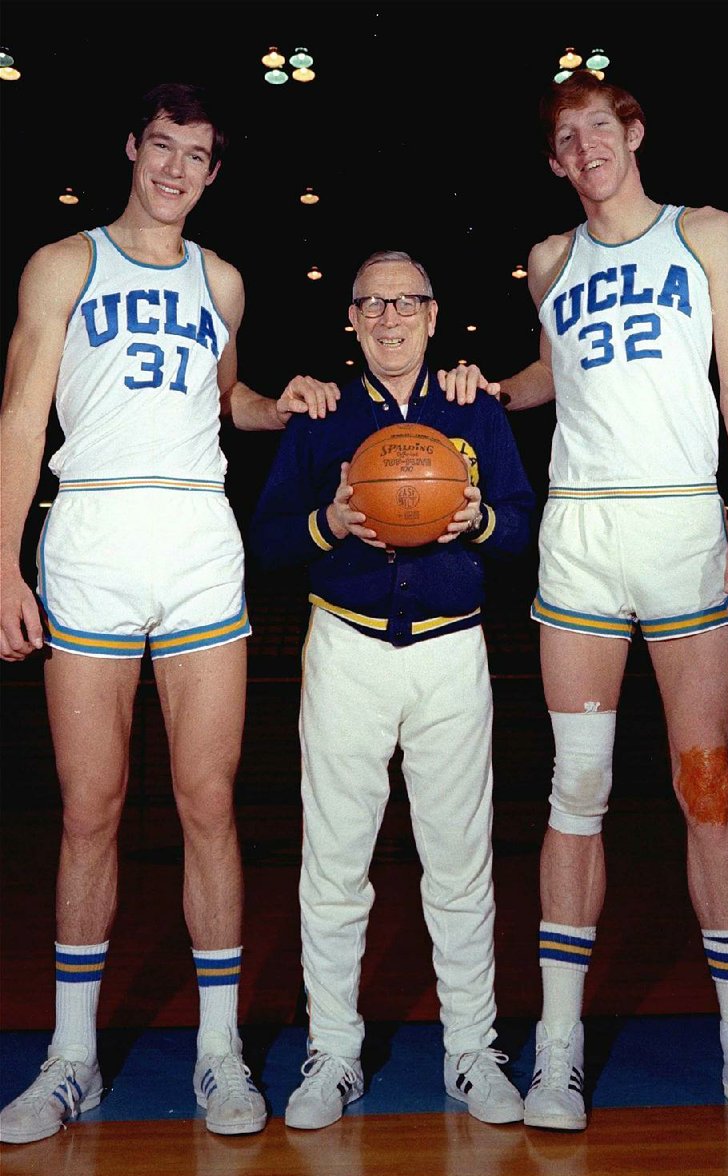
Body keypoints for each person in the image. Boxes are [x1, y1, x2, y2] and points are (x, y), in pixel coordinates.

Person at [0, 81, 347, 1145]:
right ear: (132, 149)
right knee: (90, 808)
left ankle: (216, 1053)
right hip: (95, 537)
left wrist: (271, 404)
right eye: (162, 147)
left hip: (198, 541)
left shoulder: (224, 281)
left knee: (208, 804)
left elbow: (223, 399)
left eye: (196, 156)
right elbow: (20, 412)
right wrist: (3, 565)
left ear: (212, 172)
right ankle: (71, 1060)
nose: (175, 169)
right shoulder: (64, 263)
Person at [495, 71, 728, 1134]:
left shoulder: (703, 232)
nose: (584, 152)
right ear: (552, 162)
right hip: (581, 538)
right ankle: (558, 1051)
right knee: (572, 793)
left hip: (679, 528)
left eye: (597, 130)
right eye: (564, 142)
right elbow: (550, 374)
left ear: (629, 132)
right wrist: (487, 393)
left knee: (705, 787)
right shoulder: (548, 260)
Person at [249, 249, 538, 1130]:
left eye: (404, 300)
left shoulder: (472, 406)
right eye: (369, 303)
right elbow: (264, 541)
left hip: (451, 655)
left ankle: (470, 1048)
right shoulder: (320, 415)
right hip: (346, 650)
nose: (387, 317)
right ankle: (333, 1049)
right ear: (351, 319)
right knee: (335, 866)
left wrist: (480, 517)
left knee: (459, 865)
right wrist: (325, 522)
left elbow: (523, 526)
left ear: (433, 313)